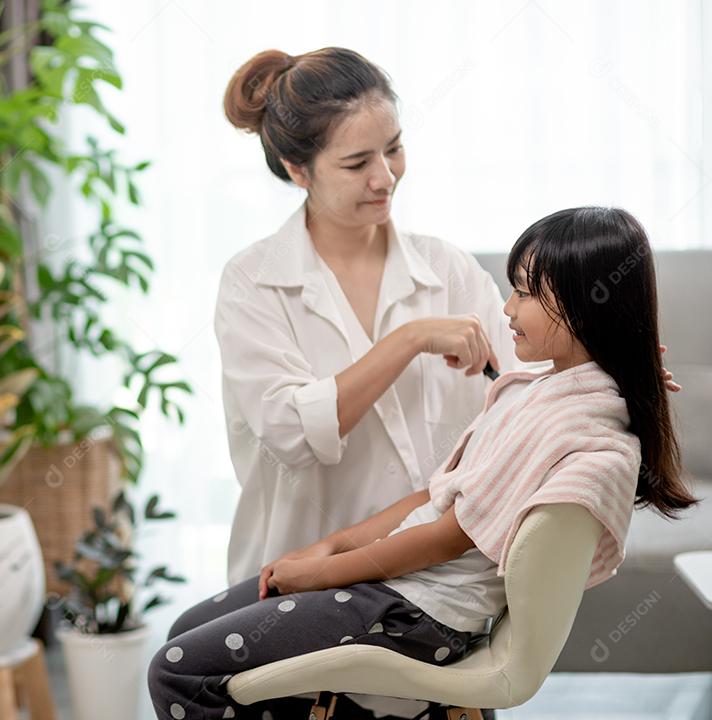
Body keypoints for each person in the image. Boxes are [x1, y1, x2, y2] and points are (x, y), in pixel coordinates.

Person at [149, 206, 697, 720]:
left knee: (176, 671)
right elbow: (437, 494)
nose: (507, 308)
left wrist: (321, 571)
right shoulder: (541, 391)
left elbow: (446, 537)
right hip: (400, 588)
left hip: (413, 609)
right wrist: (332, 545)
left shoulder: (566, 417)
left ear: (587, 304)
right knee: (186, 627)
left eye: (526, 293)